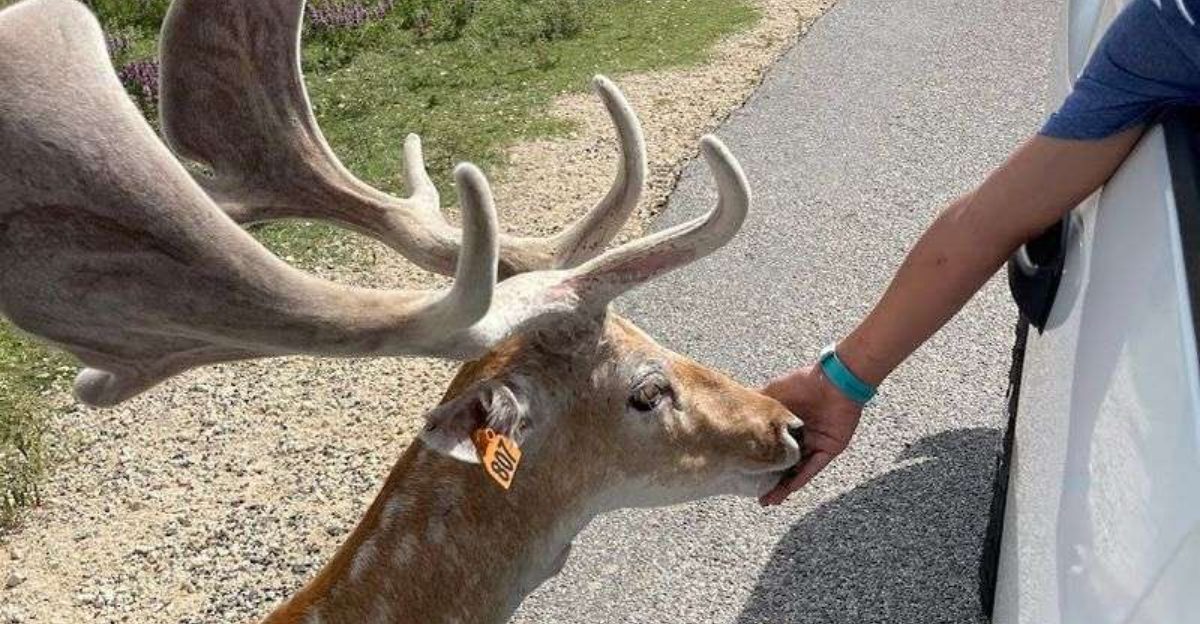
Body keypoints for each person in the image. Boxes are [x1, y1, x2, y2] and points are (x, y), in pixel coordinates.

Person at [760, 0, 1200, 506]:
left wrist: (842, 379)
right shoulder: (1172, 28)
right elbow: (989, 220)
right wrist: (840, 381)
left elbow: (988, 221)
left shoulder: (1169, 28)